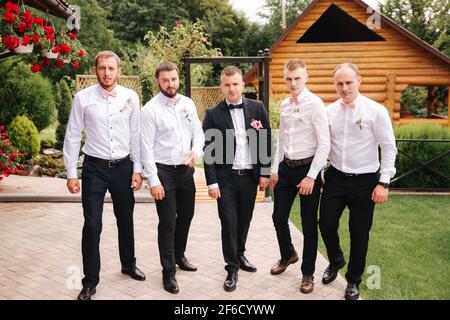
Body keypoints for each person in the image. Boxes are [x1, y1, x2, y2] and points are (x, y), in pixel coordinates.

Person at [63, 51, 145, 301]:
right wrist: (70, 173)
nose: (107, 73)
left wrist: (138, 168)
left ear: (118, 70)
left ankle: (128, 264)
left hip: (123, 167)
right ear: (95, 70)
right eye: (102, 68)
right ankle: (90, 281)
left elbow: (136, 135)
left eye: (111, 68)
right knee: (92, 225)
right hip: (94, 168)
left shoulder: (131, 97)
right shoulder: (82, 98)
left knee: (125, 218)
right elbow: (73, 134)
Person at [319, 63, 397, 300]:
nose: (344, 88)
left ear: (359, 81)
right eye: (339, 83)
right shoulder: (328, 111)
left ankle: (353, 280)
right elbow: (322, 145)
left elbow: (389, 148)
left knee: (359, 232)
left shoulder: (376, 111)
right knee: (326, 223)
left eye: (348, 82)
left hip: (366, 182)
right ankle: (336, 260)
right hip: (335, 177)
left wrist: (383, 183)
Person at [203, 66, 271, 292]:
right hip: (226, 179)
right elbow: (209, 152)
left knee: (244, 219)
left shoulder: (257, 108)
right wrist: (212, 182)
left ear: (243, 84)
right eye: (227, 85)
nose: (231, 89)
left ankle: (240, 254)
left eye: (235, 84)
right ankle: (231, 268)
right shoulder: (213, 114)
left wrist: (264, 172)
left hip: (249, 177)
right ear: (221, 86)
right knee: (229, 222)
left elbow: (264, 140)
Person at [140, 61, 204, 294]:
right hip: (163, 170)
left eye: (174, 79)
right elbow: (145, 147)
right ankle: (168, 272)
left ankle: (179, 255)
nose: (170, 84)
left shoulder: (187, 103)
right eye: (165, 80)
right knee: (168, 221)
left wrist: (196, 152)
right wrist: (153, 180)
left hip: (185, 170)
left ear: (178, 79)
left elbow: (199, 133)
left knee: (187, 214)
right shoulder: (149, 110)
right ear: (158, 81)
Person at [269, 59, 330, 294]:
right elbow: (282, 139)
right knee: (278, 217)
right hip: (286, 168)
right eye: (288, 78)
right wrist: (275, 168)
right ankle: (288, 254)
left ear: (306, 78)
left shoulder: (315, 104)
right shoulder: (284, 104)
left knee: (308, 224)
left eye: (297, 78)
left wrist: (312, 176)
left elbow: (324, 143)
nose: (292, 83)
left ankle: (307, 273)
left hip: (308, 170)